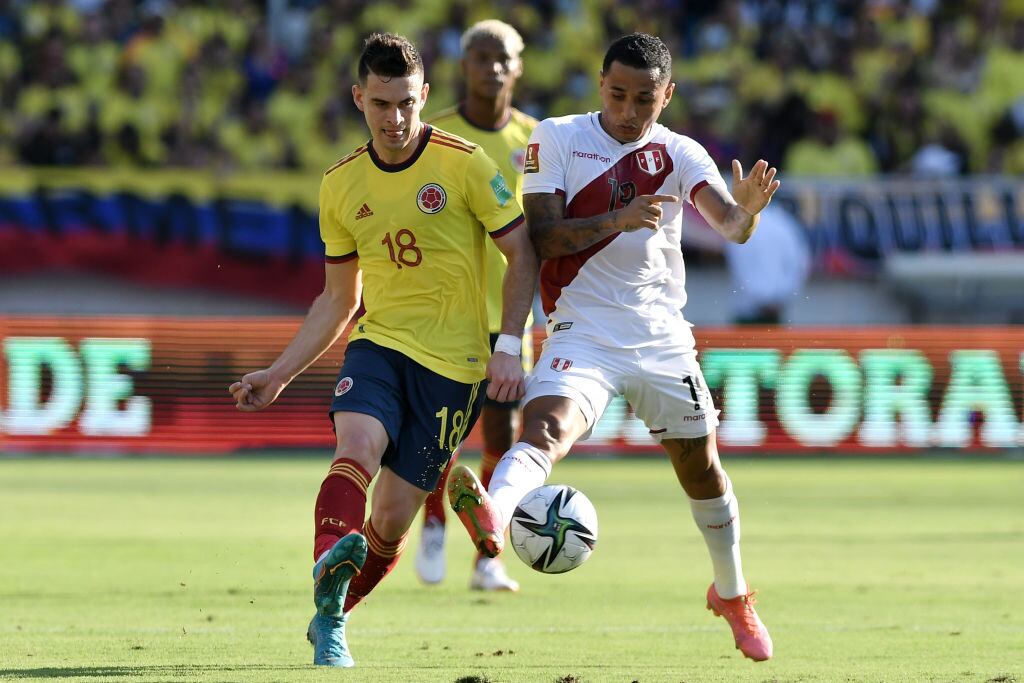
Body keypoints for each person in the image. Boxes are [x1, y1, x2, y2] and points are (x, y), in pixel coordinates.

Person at [446, 33, 779, 662]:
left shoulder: (680, 152)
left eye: (643, 99)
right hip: (583, 328)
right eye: (618, 94)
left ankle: (732, 594)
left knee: (701, 469)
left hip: (661, 334)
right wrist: (616, 221)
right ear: (600, 85)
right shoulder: (557, 137)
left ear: (667, 95)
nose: (628, 111)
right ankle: (492, 514)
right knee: (546, 429)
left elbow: (731, 226)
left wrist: (749, 213)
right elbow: (542, 237)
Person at [228, 32, 537, 668]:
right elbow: (338, 300)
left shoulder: (466, 163)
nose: (394, 119)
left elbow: (521, 252)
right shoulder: (340, 184)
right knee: (357, 448)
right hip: (380, 346)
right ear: (358, 99)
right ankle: (329, 575)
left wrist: (509, 344)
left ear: (424, 95)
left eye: (405, 103)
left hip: (456, 367)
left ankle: (332, 610)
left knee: (392, 520)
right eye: (380, 104)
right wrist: (280, 374)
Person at [414, 19, 538, 593]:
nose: (493, 67)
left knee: (502, 433)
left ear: (518, 67)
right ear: (463, 66)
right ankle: (434, 521)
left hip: (509, 313)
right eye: (481, 58)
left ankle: (487, 555)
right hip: (449, 312)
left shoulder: (536, 140)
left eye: (503, 58)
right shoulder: (435, 136)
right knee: (442, 431)